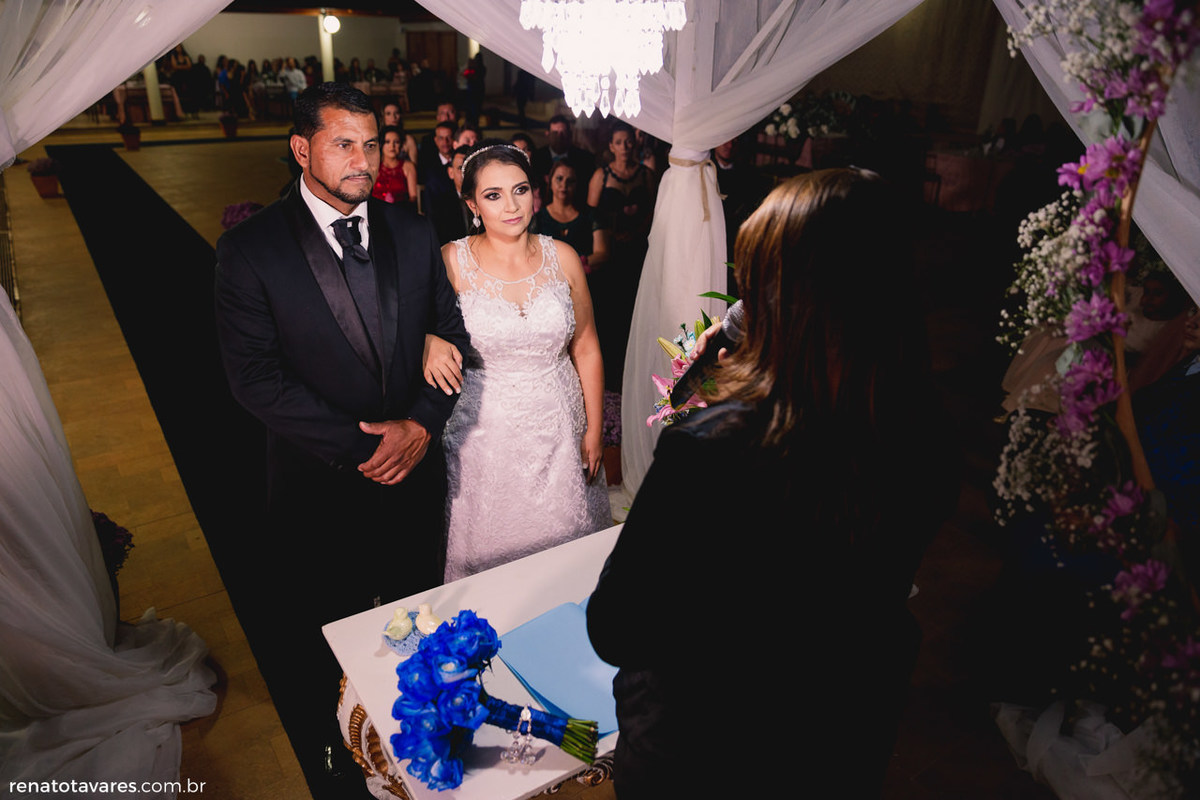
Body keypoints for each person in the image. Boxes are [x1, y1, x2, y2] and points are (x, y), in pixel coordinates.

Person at [587, 168, 958, 798]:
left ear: (784, 302)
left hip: (709, 750)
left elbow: (616, 625)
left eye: (755, 285)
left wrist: (718, 410)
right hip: (839, 739)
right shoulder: (926, 436)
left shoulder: (716, 449)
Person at [214, 82, 469, 796]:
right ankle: (344, 749)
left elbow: (452, 335)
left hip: (414, 479)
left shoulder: (411, 231)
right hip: (319, 486)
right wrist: (368, 448)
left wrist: (421, 425)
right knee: (329, 627)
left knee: (416, 616)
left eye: (373, 144)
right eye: (344, 144)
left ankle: (420, 739)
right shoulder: (250, 250)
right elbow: (255, 379)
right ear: (302, 149)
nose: (364, 159)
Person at [431, 142, 610, 581]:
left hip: (560, 424)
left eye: (520, 190)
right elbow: (422, 331)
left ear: (535, 192)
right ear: (473, 205)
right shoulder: (452, 260)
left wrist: (594, 428)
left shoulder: (563, 257)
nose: (511, 206)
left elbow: (586, 346)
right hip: (485, 434)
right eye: (493, 195)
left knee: (568, 548)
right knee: (493, 554)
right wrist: (428, 341)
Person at [587, 120, 657, 387]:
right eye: (619, 142)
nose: (625, 147)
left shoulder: (646, 175)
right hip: (609, 252)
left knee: (635, 307)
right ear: (611, 146)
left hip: (638, 250)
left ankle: (637, 370)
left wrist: (638, 231)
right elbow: (591, 215)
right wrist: (610, 236)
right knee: (610, 310)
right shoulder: (601, 176)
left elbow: (655, 210)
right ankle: (610, 374)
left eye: (628, 141)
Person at [534, 160, 609, 274]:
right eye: (559, 179)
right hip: (549, 279)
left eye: (570, 181)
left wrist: (577, 265)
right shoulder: (538, 219)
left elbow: (602, 253)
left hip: (586, 278)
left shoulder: (591, 215)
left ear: (577, 184)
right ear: (550, 181)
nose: (564, 185)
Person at [533, 114, 594, 208]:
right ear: (547, 134)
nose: (559, 136)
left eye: (563, 132)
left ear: (570, 134)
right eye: (555, 133)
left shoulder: (584, 159)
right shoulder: (537, 158)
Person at [373, 124, 418, 205]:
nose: (392, 146)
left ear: (401, 145)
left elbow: (413, 197)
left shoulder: (408, 166)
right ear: (381, 144)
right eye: (387, 142)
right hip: (376, 210)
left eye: (396, 142)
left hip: (401, 209)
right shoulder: (373, 166)